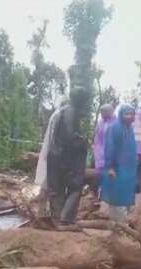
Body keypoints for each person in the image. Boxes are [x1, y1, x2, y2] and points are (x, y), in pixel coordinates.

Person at [47, 87, 89, 224]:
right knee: (75, 187)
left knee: (56, 189)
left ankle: (56, 219)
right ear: (80, 100)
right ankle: (65, 219)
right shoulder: (71, 113)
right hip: (65, 158)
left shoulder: (61, 111)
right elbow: (70, 137)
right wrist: (83, 142)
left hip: (55, 156)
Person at [102, 104, 138, 223]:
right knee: (117, 194)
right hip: (117, 167)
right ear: (121, 115)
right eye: (127, 114)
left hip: (128, 168)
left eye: (132, 114)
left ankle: (122, 223)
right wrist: (110, 167)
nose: (130, 117)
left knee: (125, 194)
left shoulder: (130, 128)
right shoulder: (115, 128)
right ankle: (118, 224)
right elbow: (110, 148)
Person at [93, 104, 116, 178]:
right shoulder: (100, 122)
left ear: (110, 112)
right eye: (101, 112)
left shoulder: (116, 122)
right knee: (100, 173)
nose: (101, 114)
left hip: (111, 152)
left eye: (103, 112)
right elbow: (97, 136)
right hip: (100, 152)